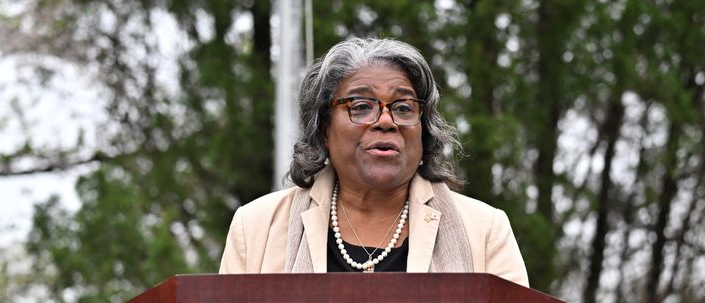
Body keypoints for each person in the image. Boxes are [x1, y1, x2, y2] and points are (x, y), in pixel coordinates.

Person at [219, 37, 528, 286]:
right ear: (323, 128)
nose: (385, 121)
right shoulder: (256, 227)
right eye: (362, 106)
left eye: (404, 107)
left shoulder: (485, 230)